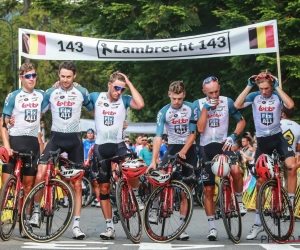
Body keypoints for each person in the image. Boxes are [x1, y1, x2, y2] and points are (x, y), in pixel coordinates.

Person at [28, 61, 93, 240]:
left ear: (75, 76)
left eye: (68, 77)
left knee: (77, 184)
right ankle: (35, 212)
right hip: (56, 138)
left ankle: (77, 226)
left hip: (74, 140)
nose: (65, 80)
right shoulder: (51, 92)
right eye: (62, 76)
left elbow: (96, 111)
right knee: (40, 173)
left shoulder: (81, 92)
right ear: (59, 75)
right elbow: (37, 113)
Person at [234, 72, 297, 240]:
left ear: (271, 86)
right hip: (262, 142)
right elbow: (237, 104)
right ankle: (257, 223)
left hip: (278, 138)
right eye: (261, 88)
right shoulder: (254, 96)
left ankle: (289, 206)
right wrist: (249, 85)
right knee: (261, 182)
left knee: (292, 165)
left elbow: (290, 105)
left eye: (266, 88)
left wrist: (276, 86)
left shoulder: (276, 94)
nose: (264, 92)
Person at [89, 71, 144, 240]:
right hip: (101, 147)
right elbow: (77, 96)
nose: (119, 91)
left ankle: (135, 195)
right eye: (116, 88)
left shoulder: (125, 99)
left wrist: (128, 81)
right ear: (109, 84)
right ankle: (109, 227)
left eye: (122, 88)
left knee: (131, 167)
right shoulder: (96, 97)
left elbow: (140, 104)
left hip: (119, 145)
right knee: (104, 188)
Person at [194, 76, 246, 241]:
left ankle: (239, 200)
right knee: (209, 190)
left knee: (236, 170)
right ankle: (212, 228)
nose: (214, 95)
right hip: (206, 147)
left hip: (224, 145)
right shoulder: (199, 104)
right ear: (204, 91)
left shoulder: (228, 101)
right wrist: (205, 110)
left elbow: (242, 122)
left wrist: (233, 135)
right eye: (210, 93)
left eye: (216, 91)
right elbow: (200, 129)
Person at [148, 80, 197, 241]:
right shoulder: (164, 112)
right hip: (173, 147)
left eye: (180, 99)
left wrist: (184, 150)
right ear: (169, 95)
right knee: (158, 175)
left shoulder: (191, 108)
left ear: (184, 95)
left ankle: (182, 228)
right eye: (174, 98)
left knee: (185, 192)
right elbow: (158, 137)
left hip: (189, 149)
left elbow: (193, 133)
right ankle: (154, 207)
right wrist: (154, 159)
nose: (176, 102)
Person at [1, 63, 44, 237]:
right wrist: (7, 147)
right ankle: (5, 217)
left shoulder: (42, 95)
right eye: (28, 76)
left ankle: (25, 222)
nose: (31, 79)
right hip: (15, 142)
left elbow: (57, 99)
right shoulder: (13, 96)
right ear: (21, 78)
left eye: (33, 75)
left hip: (32, 144)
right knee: (6, 187)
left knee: (28, 188)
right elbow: (3, 125)